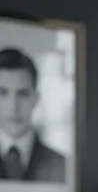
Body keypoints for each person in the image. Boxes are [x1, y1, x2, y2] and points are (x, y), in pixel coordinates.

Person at [0, 47, 66, 183]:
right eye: (3, 93)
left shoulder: (64, 168)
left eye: (23, 93)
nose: (14, 106)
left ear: (36, 99)